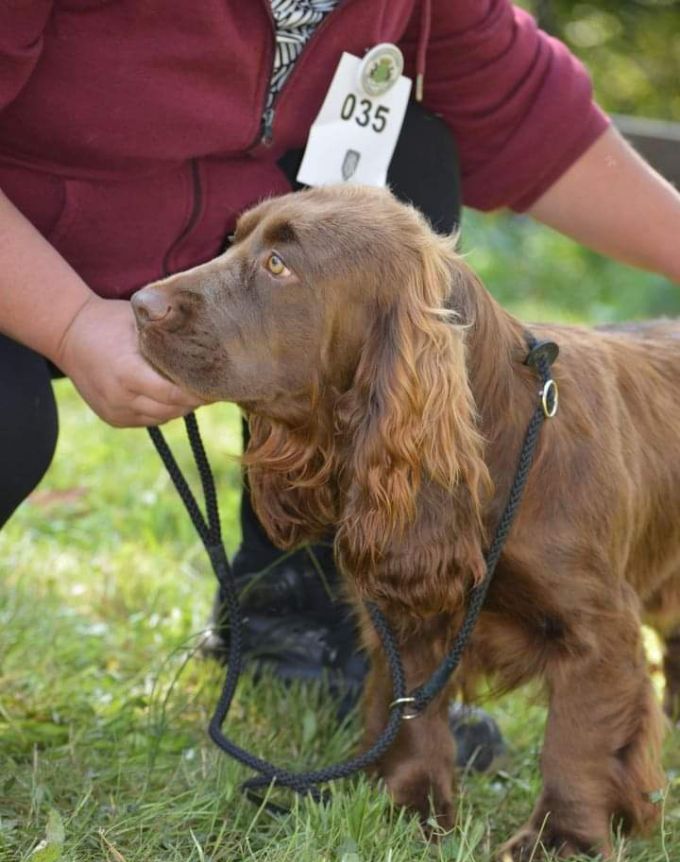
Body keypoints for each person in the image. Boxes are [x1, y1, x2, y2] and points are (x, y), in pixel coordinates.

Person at [2, 1, 680, 761]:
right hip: (23, 244)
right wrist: (64, 320)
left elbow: (532, 114)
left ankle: (297, 611)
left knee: (409, 152)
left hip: (234, 270)